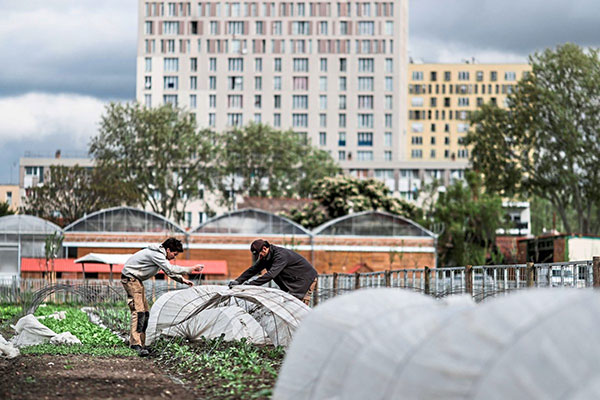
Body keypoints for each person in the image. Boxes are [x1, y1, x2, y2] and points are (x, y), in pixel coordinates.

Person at [121, 237, 203, 356]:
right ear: (168, 250)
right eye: (174, 254)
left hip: (136, 280)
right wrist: (191, 269)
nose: (174, 257)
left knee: (145, 312)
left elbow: (169, 272)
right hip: (131, 280)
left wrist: (183, 280)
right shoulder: (156, 254)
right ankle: (135, 344)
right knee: (138, 312)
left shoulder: (160, 256)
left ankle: (141, 344)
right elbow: (170, 268)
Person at [228, 239, 318, 305]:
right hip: (293, 281)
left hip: (304, 280)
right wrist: (238, 281)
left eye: (259, 254)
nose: (259, 257)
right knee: (287, 307)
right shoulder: (266, 256)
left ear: (264, 248)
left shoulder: (280, 256)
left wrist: (249, 285)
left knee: (297, 309)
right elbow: (252, 270)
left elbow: (271, 275)